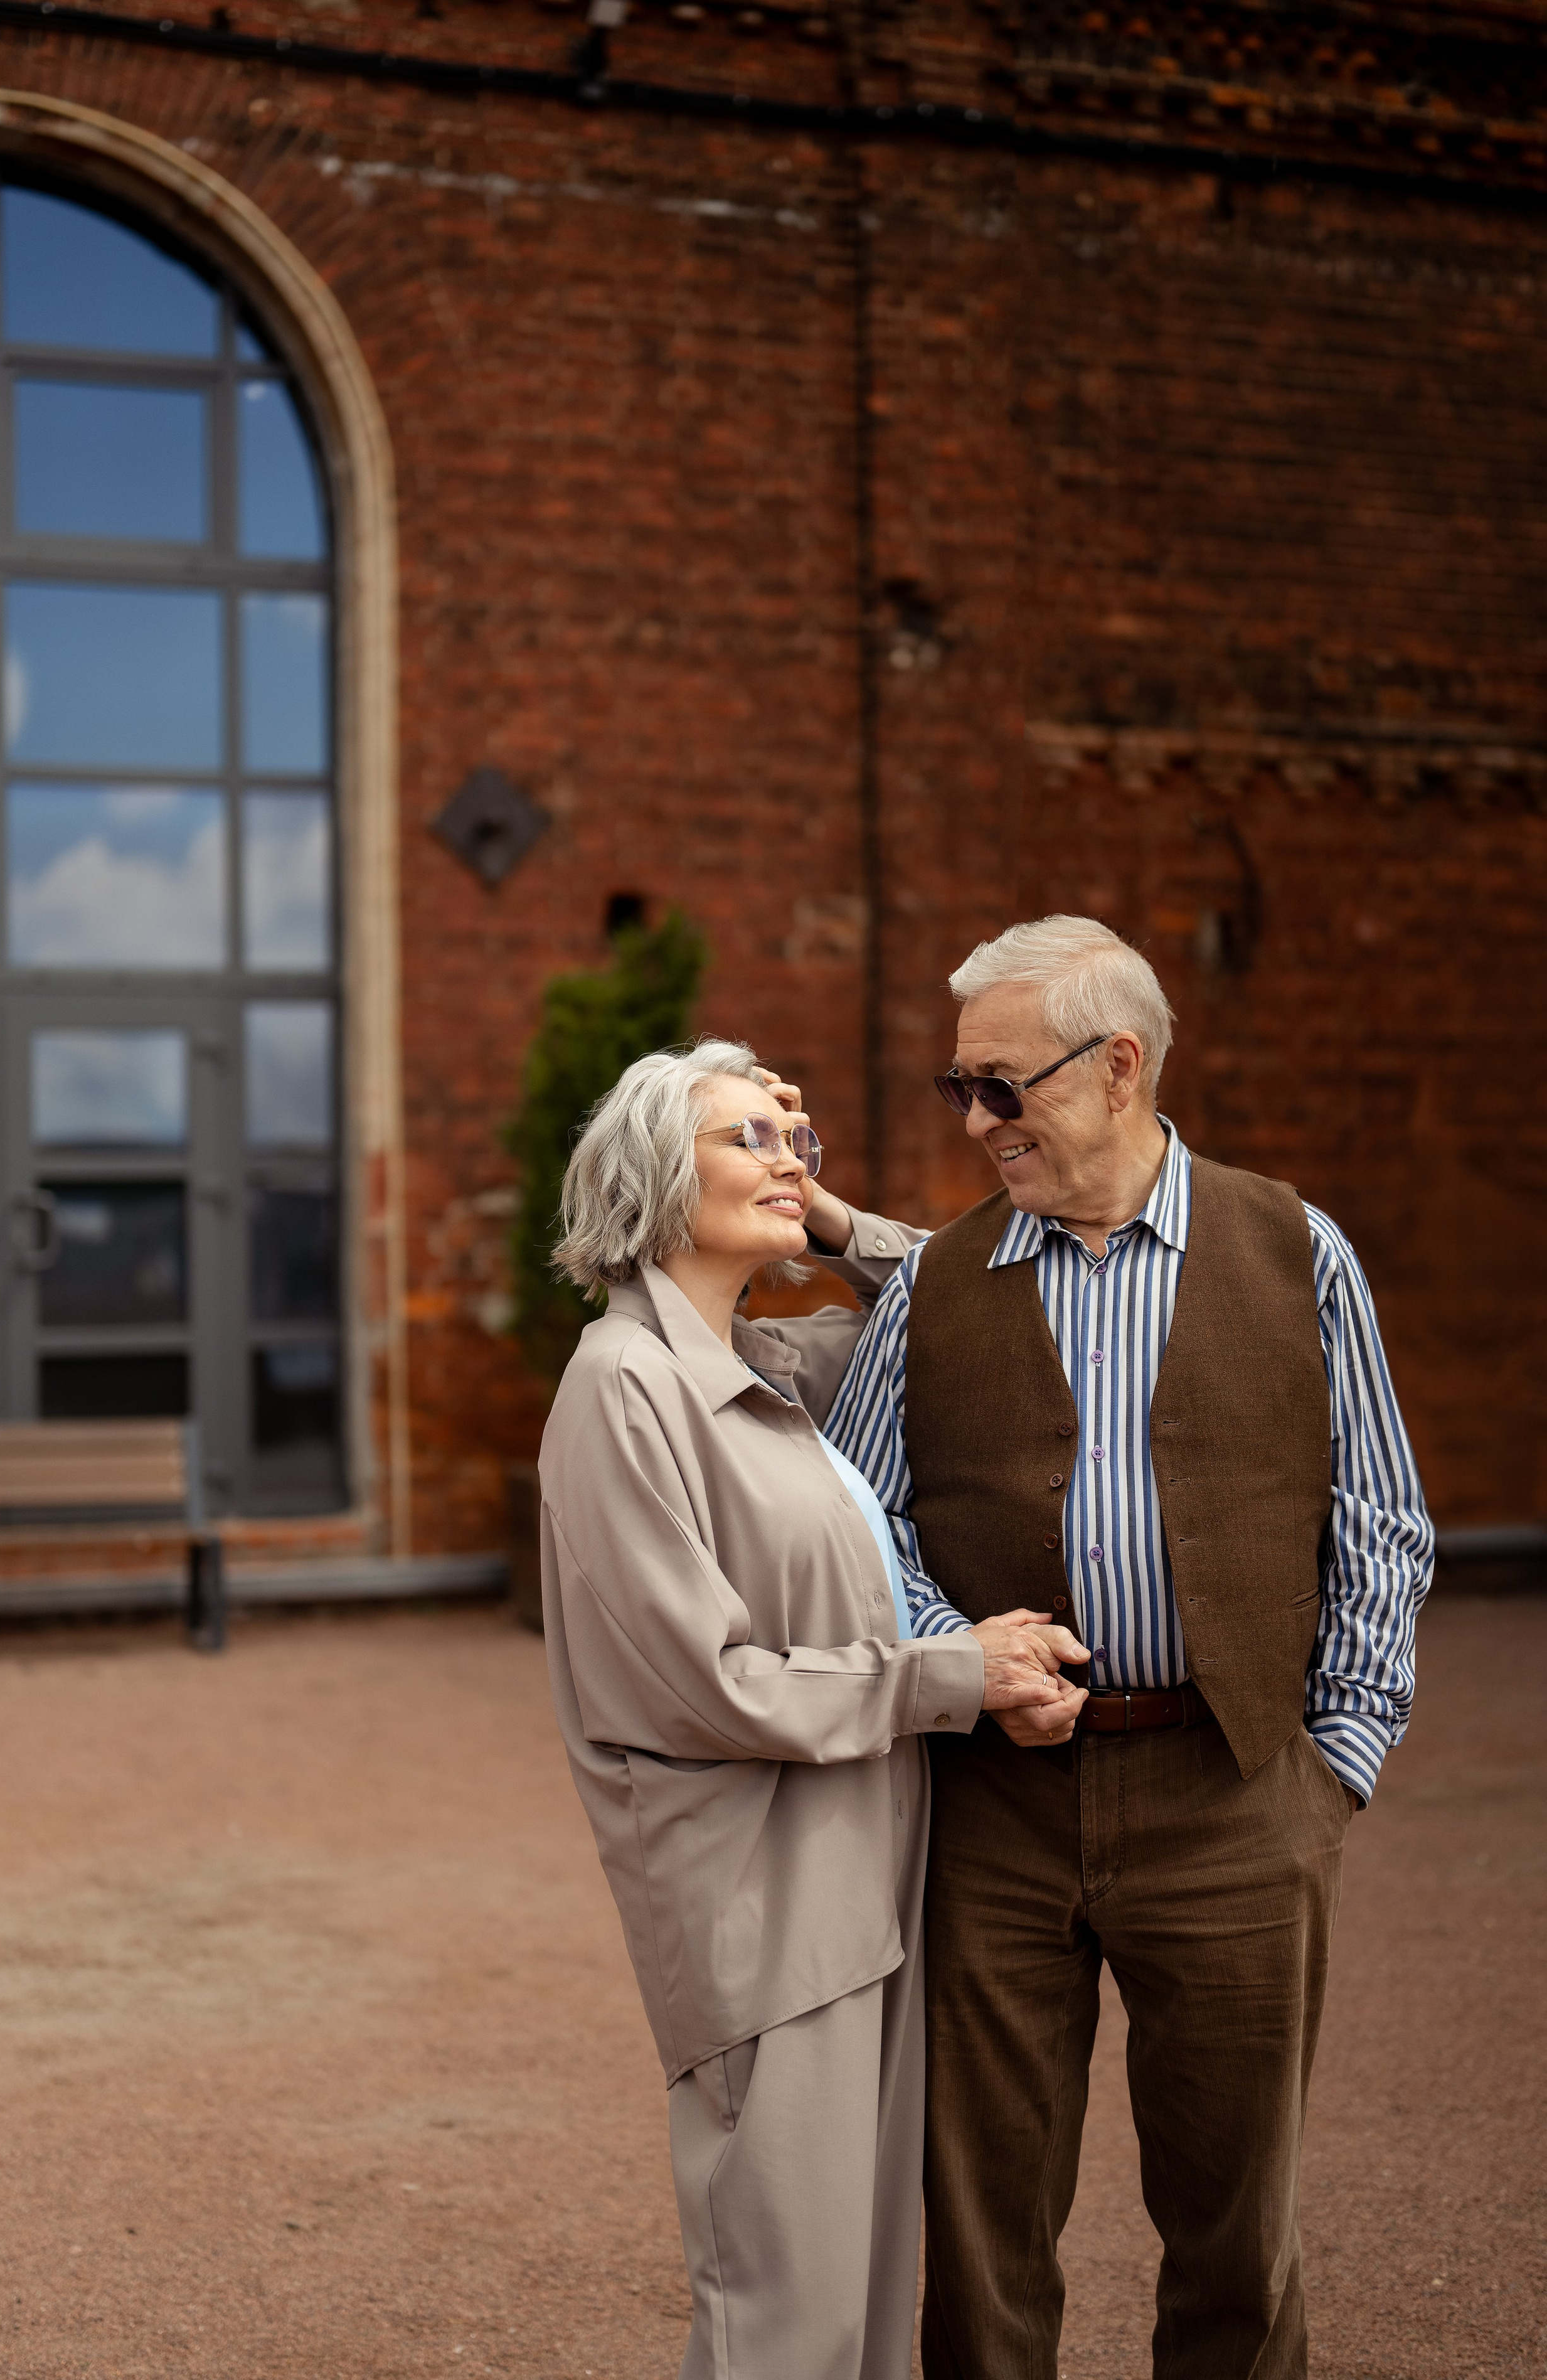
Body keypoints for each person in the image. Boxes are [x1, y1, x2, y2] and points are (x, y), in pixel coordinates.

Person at [822, 915, 1435, 2380]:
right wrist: (959, 1655)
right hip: (994, 1811)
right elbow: (857, 1523)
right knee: (979, 2228)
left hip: (1234, 1794)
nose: (975, 1120)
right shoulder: (936, 1281)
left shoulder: (1293, 1249)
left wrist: (1332, 1764)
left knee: (1235, 2231)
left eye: (1002, 1085)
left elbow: (1380, 1520)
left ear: (1117, 1067)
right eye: (958, 1087)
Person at [537, 1040, 1092, 2380]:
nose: (788, 1157)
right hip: (758, 1903)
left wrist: (826, 1217)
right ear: (656, 1174)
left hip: (865, 1880)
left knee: (861, 2307)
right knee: (783, 2317)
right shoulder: (624, 1386)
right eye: (749, 1139)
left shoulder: (775, 1364)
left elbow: (973, 1290)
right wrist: (955, 1675)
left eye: (799, 1142)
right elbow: (703, 1680)